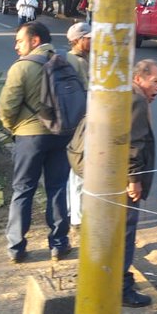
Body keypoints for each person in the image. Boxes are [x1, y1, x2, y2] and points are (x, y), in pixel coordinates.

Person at [0, 21, 71, 263]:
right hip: (61, 135)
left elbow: (7, 107)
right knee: (57, 189)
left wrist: (14, 128)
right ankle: (59, 244)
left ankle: (16, 247)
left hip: (29, 137)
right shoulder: (65, 62)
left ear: (35, 40)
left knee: (23, 190)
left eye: (20, 40)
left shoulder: (22, 68)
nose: (16, 46)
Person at [124, 59, 157, 306]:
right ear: (139, 78)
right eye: (155, 81)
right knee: (127, 232)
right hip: (127, 181)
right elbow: (134, 144)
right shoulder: (136, 100)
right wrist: (134, 180)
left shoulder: (132, 95)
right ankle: (122, 288)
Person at [66, 21, 92, 227]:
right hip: (79, 121)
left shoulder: (80, 58)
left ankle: (72, 211)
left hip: (77, 120)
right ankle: (77, 217)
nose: (91, 41)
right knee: (78, 171)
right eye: (88, 38)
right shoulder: (77, 62)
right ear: (77, 40)